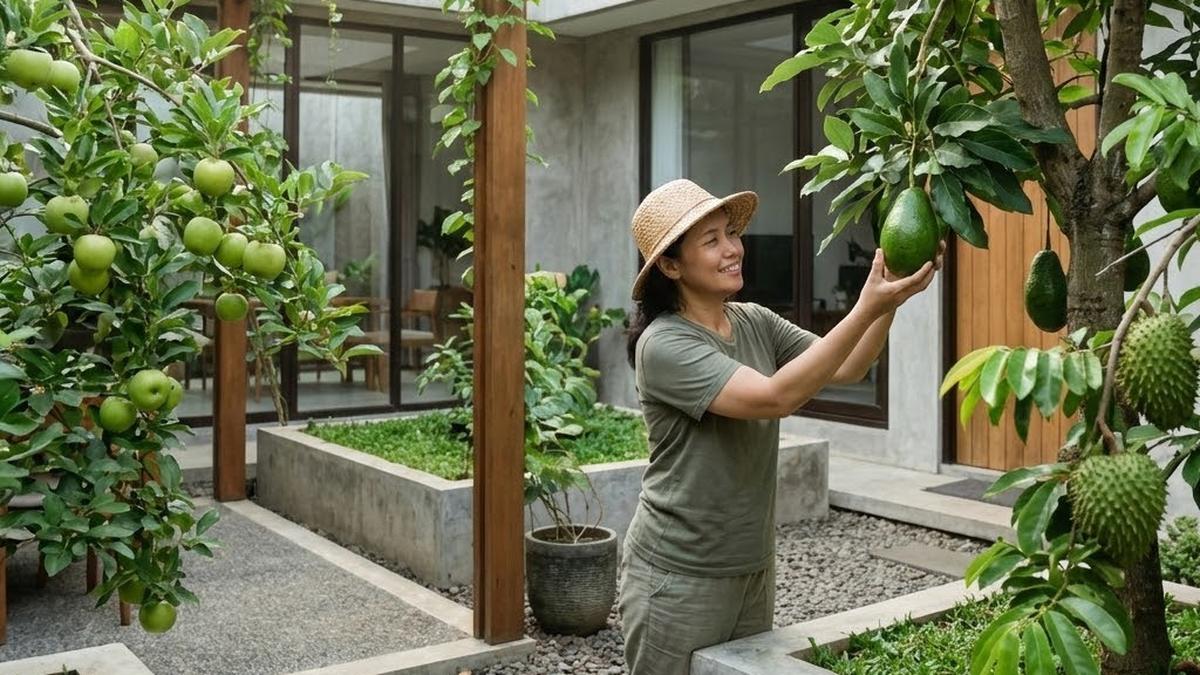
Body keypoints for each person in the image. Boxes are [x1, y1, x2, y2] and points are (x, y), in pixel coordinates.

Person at [617, 178, 943, 674]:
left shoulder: (753, 321)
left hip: (751, 566)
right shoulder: (663, 346)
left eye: (730, 233)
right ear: (670, 265)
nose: (733, 250)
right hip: (676, 575)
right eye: (711, 241)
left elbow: (848, 365)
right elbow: (775, 397)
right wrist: (867, 306)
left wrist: (890, 297)